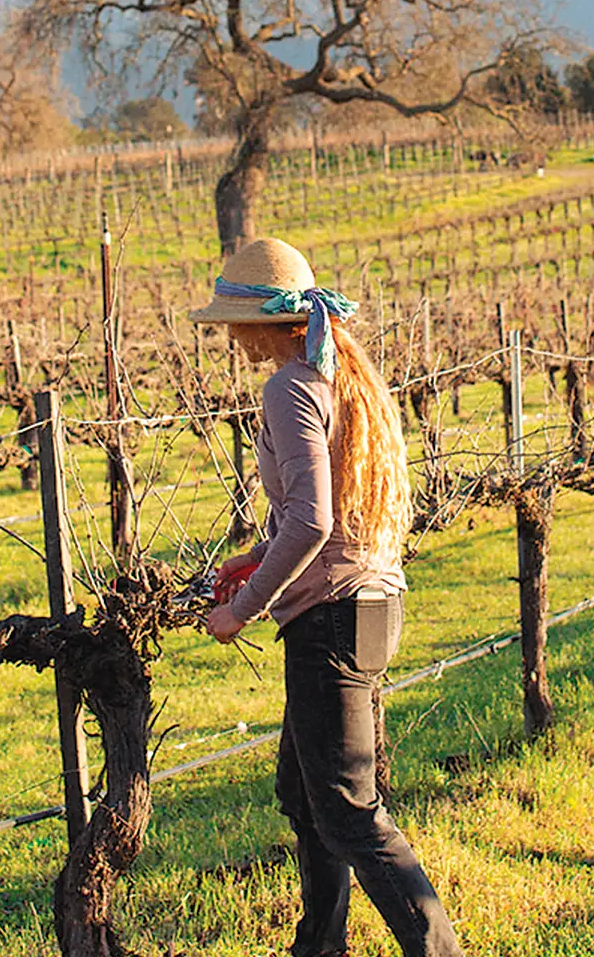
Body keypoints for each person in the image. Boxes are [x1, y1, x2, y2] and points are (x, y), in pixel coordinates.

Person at [193, 238, 464, 957]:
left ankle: (439, 951)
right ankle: (319, 947)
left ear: (267, 322)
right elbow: (329, 508)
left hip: (329, 620)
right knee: (307, 796)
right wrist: (256, 555)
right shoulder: (336, 373)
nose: (228, 334)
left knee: (348, 813)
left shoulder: (288, 386)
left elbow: (312, 521)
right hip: (372, 607)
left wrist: (241, 607)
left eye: (233, 320)